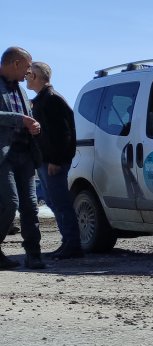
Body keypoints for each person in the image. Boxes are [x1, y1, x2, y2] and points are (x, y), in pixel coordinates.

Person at [27, 61, 80, 259]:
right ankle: (68, 242)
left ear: (37, 76)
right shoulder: (42, 99)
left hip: (53, 162)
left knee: (60, 202)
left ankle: (73, 245)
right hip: (45, 160)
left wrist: (56, 160)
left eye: (29, 73)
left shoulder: (52, 99)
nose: (26, 76)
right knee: (53, 201)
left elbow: (63, 133)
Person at [0, 46, 44, 270]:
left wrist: (34, 126)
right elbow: (18, 118)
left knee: (30, 206)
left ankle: (34, 255)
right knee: (10, 203)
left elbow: (28, 118)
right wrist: (21, 119)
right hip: (4, 157)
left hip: (26, 155)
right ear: (15, 63)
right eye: (27, 66)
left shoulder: (22, 91)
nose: (28, 72)